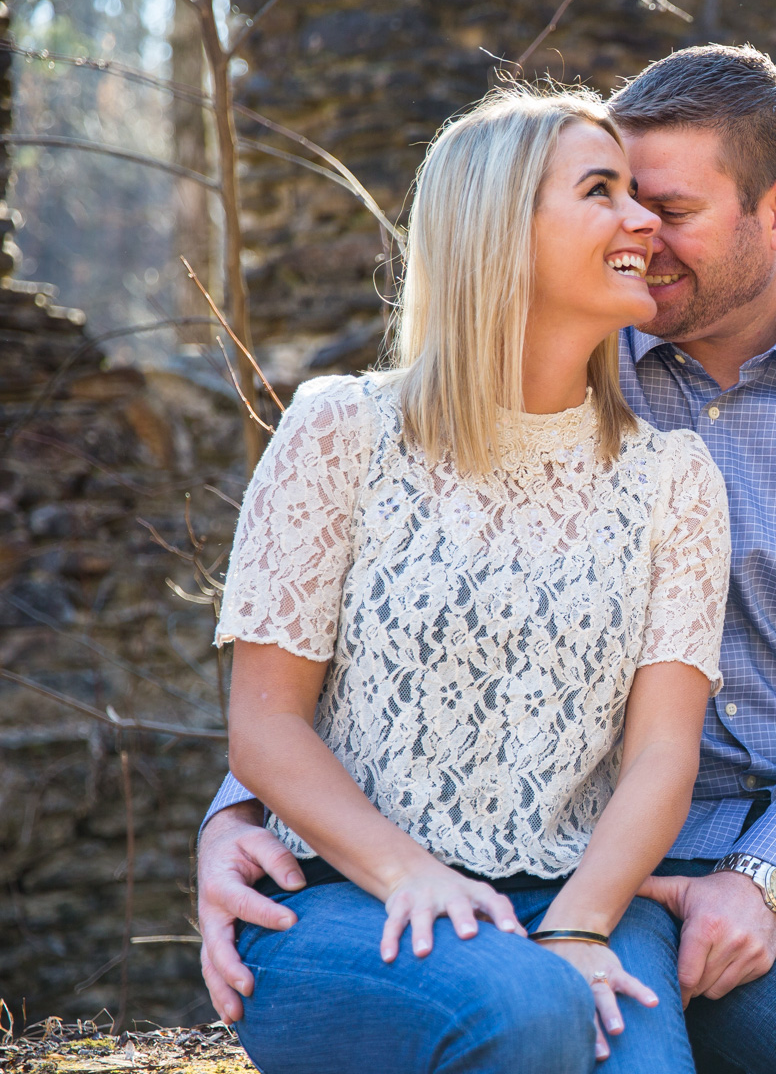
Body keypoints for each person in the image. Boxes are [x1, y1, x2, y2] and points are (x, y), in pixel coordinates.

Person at [197, 45, 776, 1074]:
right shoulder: (569, 359)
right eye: (616, 196)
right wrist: (242, 812)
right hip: (647, 841)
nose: (641, 233)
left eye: (671, 210)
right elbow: (389, 628)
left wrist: (767, 875)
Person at [211, 84, 731, 1073]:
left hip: (585, 896)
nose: (640, 222)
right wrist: (408, 872)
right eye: (601, 191)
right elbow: (266, 725)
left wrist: (580, 926)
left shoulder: (674, 479)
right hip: (342, 899)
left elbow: (665, 751)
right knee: (527, 1011)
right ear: (497, 227)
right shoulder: (340, 433)